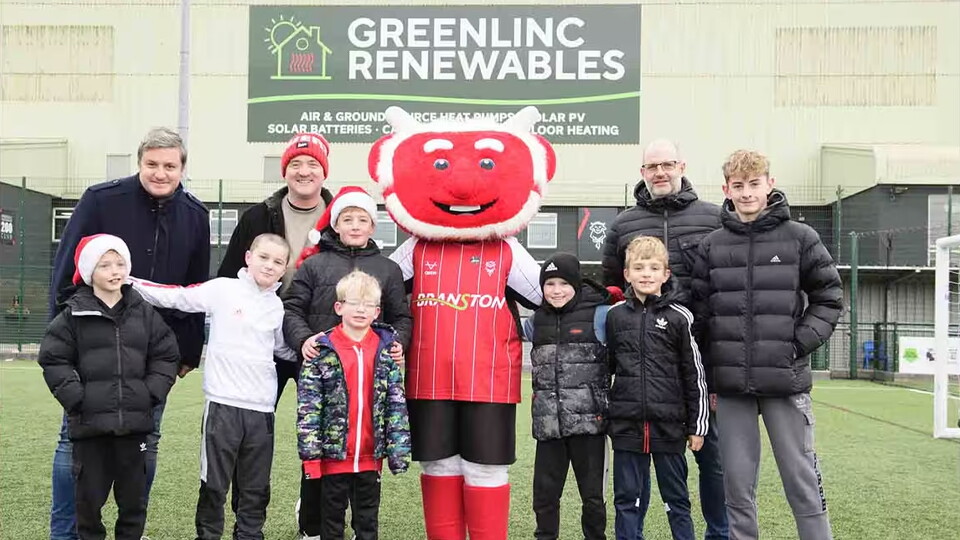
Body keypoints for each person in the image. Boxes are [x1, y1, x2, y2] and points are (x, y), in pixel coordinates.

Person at [46, 127, 209, 540]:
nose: (160, 173)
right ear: (139, 164)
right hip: (93, 353)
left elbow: (195, 288)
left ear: (182, 169)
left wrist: (186, 356)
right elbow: (67, 270)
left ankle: (129, 532)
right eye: (152, 164)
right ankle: (64, 533)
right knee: (74, 447)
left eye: (169, 166)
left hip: (151, 361)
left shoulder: (195, 215)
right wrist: (71, 334)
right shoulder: (101, 200)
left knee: (145, 447)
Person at [691, 150, 842, 540]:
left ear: (769, 184)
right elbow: (701, 318)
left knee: (801, 478)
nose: (746, 193)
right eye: (738, 186)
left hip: (785, 382)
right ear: (726, 189)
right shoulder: (711, 246)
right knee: (737, 487)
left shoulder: (801, 238)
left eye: (754, 184)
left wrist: (796, 345)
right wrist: (708, 377)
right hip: (730, 388)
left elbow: (828, 298)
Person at [600, 139, 727, 540]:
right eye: (651, 166)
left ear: (681, 165)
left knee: (711, 457)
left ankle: (719, 532)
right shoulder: (623, 224)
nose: (660, 172)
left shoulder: (713, 217)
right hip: (641, 367)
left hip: (701, 356)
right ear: (642, 172)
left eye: (667, 164)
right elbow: (609, 289)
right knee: (635, 477)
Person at [129, 233, 295, 540]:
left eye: (278, 262)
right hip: (222, 407)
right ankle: (208, 535)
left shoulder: (277, 307)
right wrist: (129, 280)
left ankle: (249, 534)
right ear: (248, 257)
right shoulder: (223, 290)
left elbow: (284, 349)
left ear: (284, 269)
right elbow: (176, 296)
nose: (269, 266)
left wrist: (323, 346)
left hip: (261, 411)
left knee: (256, 486)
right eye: (264, 257)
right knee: (214, 483)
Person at [282, 186, 412, 535]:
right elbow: (292, 308)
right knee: (320, 458)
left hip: (369, 376)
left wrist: (397, 342)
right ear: (335, 225)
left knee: (364, 472)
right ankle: (311, 528)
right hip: (325, 379)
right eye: (347, 219)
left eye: (362, 219)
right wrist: (303, 339)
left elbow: (402, 317)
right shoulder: (314, 264)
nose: (355, 225)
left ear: (373, 226)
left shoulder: (388, 269)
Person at [39, 234, 179, 540]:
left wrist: (150, 393)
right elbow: (53, 358)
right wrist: (77, 398)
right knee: (88, 504)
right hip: (90, 429)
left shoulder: (143, 312)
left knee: (133, 504)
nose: (115, 271)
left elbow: (166, 354)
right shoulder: (74, 314)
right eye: (105, 265)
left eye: (120, 263)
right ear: (90, 272)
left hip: (135, 428)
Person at [217, 133, 334, 404]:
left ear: (324, 171)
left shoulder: (340, 219)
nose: (304, 171)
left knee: (327, 424)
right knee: (253, 416)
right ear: (284, 171)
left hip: (319, 336)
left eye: (312, 164)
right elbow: (229, 276)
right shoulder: (257, 217)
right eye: (295, 164)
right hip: (263, 335)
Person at [296, 270, 411, 540]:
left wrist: (397, 451)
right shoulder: (321, 351)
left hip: (371, 460)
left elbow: (396, 404)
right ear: (339, 307)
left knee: (368, 524)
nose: (361, 309)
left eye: (368, 304)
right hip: (333, 459)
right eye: (354, 303)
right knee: (332, 526)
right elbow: (308, 411)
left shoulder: (386, 350)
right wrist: (312, 459)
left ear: (377, 311)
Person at [607, 236, 708, 540]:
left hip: (669, 428)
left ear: (666, 274)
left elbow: (695, 375)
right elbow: (606, 369)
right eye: (639, 267)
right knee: (627, 501)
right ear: (627, 274)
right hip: (626, 427)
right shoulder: (614, 317)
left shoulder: (680, 317)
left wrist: (698, 426)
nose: (646, 274)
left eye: (653, 268)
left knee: (676, 501)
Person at [521, 253, 611, 540]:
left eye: (563, 283)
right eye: (549, 284)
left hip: (590, 426)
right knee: (544, 497)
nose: (556, 290)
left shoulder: (601, 315)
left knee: (593, 498)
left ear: (576, 284)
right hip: (549, 426)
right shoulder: (536, 321)